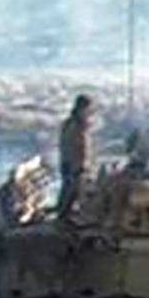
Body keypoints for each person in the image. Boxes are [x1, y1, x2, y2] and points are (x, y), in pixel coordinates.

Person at [57, 93, 96, 222]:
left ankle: (65, 216)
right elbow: (74, 147)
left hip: (74, 164)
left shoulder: (76, 124)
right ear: (81, 108)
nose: (89, 113)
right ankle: (63, 219)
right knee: (70, 192)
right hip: (73, 165)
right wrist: (78, 166)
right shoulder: (75, 126)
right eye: (88, 109)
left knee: (72, 192)